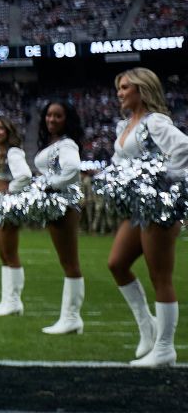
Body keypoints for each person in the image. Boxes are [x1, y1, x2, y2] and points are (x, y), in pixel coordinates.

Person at [103, 68, 188, 367]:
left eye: (125, 87)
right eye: (119, 88)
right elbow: (119, 161)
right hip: (138, 207)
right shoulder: (124, 126)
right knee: (117, 263)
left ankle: (165, 348)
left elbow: (182, 148)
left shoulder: (155, 122)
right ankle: (147, 327)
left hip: (158, 205)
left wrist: (165, 181)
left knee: (159, 276)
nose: (120, 93)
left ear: (141, 90)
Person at [34, 100, 86, 335]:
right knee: (67, 262)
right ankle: (69, 317)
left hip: (64, 204)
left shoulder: (66, 144)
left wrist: (49, 185)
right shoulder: (54, 142)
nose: (51, 120)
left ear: (67, 119)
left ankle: (72, 317)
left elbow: (73, 169)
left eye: (58, 116)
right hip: (57, 205)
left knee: (70, 263)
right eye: (48, 115)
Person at [0, 117, 30, 317]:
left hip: (6, 206)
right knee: (3, 253)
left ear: (8, 131)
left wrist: (8, 192)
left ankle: (14, 301)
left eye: (0, 128)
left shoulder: (13, 152)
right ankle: (6, 300)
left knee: (10, 253)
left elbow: (25, 176)